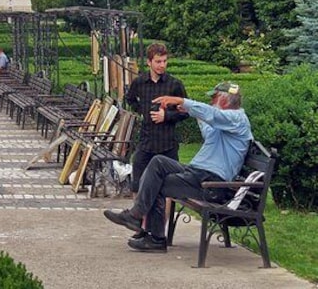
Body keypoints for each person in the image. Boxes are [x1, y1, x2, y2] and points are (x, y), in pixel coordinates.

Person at [103, 82, 253, 253]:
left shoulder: (238, 120)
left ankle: (153, 235)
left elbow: (212, 114)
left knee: (156, 182)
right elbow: (209, 127)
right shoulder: (227, 122)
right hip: (198, 174)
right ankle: (139, 220)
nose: (211, 101)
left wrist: (182, 101)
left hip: (212, 183)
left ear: (225, 100)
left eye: (214, 97)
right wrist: (190, 111)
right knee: (158, 162)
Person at [124, 43, 188, 196]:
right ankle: (138, 218)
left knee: (170, 188)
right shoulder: (139, 82)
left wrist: (166, 116)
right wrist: (143, 111)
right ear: (149, 62)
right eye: (158, 62)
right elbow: (130, 99)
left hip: (168, 143)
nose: (162, 65)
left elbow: (186, 111)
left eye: (165, 61)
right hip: (146, 141)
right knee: (137, 183)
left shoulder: (175, 84)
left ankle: (165, 220)